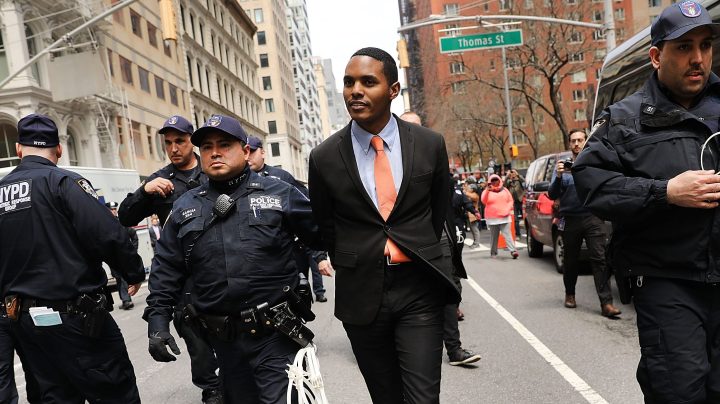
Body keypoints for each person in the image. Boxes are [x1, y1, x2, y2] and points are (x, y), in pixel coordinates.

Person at [572, 2, 720, 402]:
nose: (698, 59)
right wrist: (666, 192)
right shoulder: (624, 119)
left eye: (705, 46)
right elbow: (592, 186)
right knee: (679, 390)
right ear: (656, 56)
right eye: (684, 47)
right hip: (669, 283)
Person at [308, 47, 460, 403]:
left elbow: (437, 212)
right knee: (385, 397)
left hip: (418, 287)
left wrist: (412, 246)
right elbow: (326, 224)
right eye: (348, 82)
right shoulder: (324, 157)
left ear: (393, 90)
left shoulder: (429, 144)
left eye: (368, 82)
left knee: (422, 398)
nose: (355, 90)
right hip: (362, 293)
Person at [144, 114, 324, 403]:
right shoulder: (185, 206)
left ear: (245, 150)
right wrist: (157, 322)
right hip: (225, 343)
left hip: (276, 336)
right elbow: (166, 267)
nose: (215, 152)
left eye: (224, 144)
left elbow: (327, 235)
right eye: (207, 147)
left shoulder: (280, 193)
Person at [0, 113, 145, 402]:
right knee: (115, 392)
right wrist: (134, 271)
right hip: (78, 321)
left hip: (27, 327)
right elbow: (109, 235)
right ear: (59, 149)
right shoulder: (63, 182)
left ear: (18, 149)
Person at [118, 115, 222, 404]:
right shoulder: (160, 180)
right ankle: (211, 390)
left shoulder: (213, 169)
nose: (174, 148)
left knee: (230, 342)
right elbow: (125, 217)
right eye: (168, 143)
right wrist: (144, 191)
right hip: (182, 277)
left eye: (180, 141)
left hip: (219, 269)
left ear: (193, 141)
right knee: (197, 344)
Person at [399, 111, 481, 367]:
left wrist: (453, 234)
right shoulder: (388, 161)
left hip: (438, 236)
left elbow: (447, 200)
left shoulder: (435, 156)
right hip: (404, 240)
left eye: (418, 127)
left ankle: (454, 350)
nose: (414, 132)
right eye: (407, 127)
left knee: (448, 288)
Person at [246, 135, 331, 302]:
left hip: (289, 253)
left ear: (262, 152)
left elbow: (307, 213)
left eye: (252, 151)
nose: (248, 156)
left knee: (294, 299)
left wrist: (320, 256)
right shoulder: (234, 183)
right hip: (253, 261)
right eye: (245, 151)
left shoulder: (281, 178)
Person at [548, 129, 620, 318]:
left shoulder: (594, 163)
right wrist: (557, 175)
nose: (577, 144)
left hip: (593, 217)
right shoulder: (562, 168)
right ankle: (569, 294)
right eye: (573, 141)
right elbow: (552, 194)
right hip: (570, 219)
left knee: (599, 259)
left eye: (580, 140)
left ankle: (607, 303)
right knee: (570, 260)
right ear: (569, 144)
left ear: (586, 141)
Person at [105, 201, 138, 310]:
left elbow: (133, 235)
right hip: (112, 258)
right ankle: (124, 300)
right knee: (119, 279)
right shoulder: (105, 223)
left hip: (123, 257)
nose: (114, 211)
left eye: (115, 209)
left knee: (123, 279)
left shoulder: (122, 223)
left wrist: (132, 250)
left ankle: (126, 300)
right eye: (111, 209)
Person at [481, 174, 519, 259]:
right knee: (494, 236)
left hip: (505, 216)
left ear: (499, 180)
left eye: (496, 180)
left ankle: (513, 251)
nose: (495, 182)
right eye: (493, 180)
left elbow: (510, 201)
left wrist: (508, 209)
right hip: (492, 218)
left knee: (507, 234)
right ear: (490, 182)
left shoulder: (505, 190)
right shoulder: (487, 191)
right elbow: (483, 200)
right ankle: (493, 252)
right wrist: (487, 190)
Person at [505, 169, 525, 238]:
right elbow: (503, 186)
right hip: (513, 202)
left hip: (521, 200)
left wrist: (517, 174)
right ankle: (518, 234)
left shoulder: (519, 179)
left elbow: (524, 181)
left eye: (513, 173)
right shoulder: (508, 182)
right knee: (515, 219)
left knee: (525, 217)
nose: (512, 174)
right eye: (511, 173)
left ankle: (528, 232)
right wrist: (507, 177)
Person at [464, 178, 482, 248]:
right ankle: (475, 242)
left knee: (475, 229)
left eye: (469, 188)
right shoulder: (470, 194)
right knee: (472, 229)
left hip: (473, 215)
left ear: (472, 189)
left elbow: (467, 194)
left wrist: (465, 191)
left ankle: (476, 243)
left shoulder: (475, 195)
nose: (468, 188)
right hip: (470, 214)